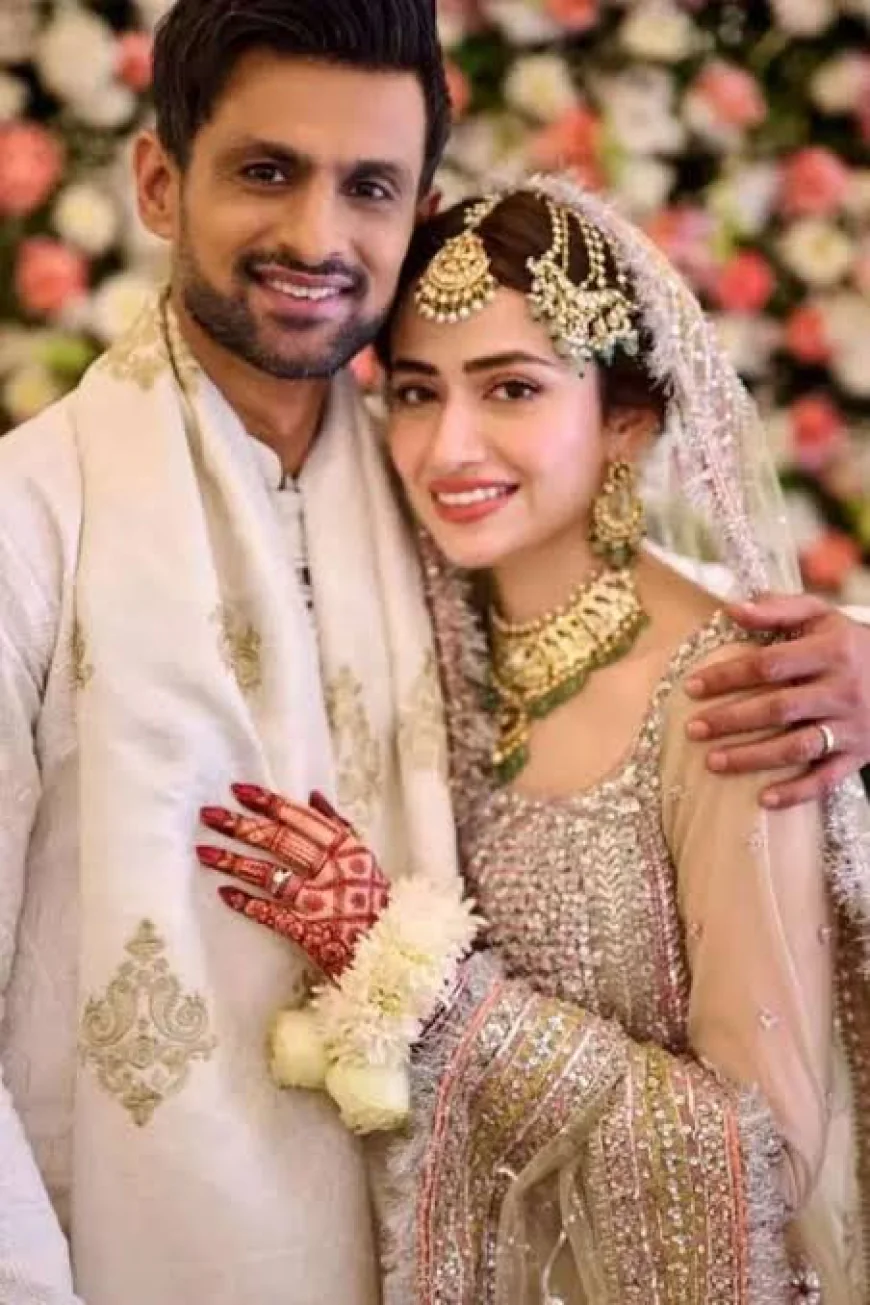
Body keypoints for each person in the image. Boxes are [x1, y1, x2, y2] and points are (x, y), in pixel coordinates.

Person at [0, 0, 867, 1300]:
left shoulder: (431, 503)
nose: (316, 236)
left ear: (416, 213)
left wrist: (855, 657)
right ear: (159, 184)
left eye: (367, 187)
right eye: (266, 171)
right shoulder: (29, 525)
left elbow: (627, 594)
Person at [198, 182, 870, 1303]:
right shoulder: (416, 636)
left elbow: (763, 1161)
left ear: (626, 422)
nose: (448, 447)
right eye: (418, 392)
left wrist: (426, 992)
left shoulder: (731, 698)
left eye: (511, 387)